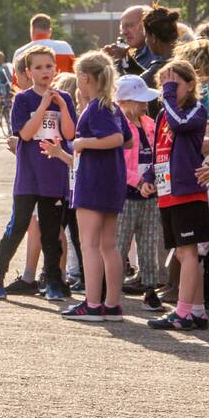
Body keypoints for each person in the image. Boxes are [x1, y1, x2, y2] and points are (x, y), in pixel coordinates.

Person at [0, 45, 76, 301]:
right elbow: (25, 134)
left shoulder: (64, 98)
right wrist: (44, 105)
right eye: (38, 67)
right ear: (28, 72)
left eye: (49, 66)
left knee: (51, 232)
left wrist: (61, 105)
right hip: (28, 177)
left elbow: (69, 134)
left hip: (54, 175)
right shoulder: (23, 99)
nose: (44, 71)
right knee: (18, 227)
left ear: (55, 69)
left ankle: (54, 282)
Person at [58, 52, 132, 322]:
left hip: (93, 182)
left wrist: (82, 142)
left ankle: (92, 304)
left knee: (89, 245)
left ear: (85, 78)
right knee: (108, 246)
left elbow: (116, 139)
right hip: (112, 182)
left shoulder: (97, 107)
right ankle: (111, 305)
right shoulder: (112, 106)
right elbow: (128, 140)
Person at [143, 60, 209, 330]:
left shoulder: (196, 110)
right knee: (183, 254)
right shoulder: (164, 114)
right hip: (168, 191)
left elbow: (181, 124)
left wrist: (170, 96)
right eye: (163, 85)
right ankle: (197, 311)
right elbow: (159, 150)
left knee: (188, 252)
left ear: (191, 85)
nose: (167, 90)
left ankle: (183, 313)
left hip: (188, 191)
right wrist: (149, 178)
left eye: (173, 84)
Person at [111, 74, 164, 312]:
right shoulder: (117, 125)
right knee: (119, 243)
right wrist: (138, 181)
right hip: (125, 195)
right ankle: (108, 289)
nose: (145, 104)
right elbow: (118, 164)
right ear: (124, 102)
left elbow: (158, 154)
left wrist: (151, 179)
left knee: (149, 242)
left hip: (150, 193)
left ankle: (150, 289)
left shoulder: (150, 123)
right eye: (140, 100)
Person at [104, 5, 153, 76]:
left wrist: (125, 57)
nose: (124, 32)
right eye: (122, 27)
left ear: (147, 25)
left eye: (129, 25)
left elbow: (151, 80)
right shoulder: (131, 54)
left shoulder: (159, 54)